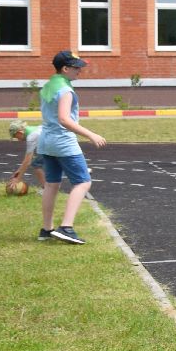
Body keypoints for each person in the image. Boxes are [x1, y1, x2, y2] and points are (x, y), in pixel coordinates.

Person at [35, 51, 107, 244]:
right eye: (77, 68)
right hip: (63, 142)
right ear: (65, 69)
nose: (80, 71)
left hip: (46, 141)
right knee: (83, 182)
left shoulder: (49, 85)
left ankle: (46, 229)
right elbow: (64, 119)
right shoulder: (66, 90)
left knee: (51, 184)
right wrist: (91, 134)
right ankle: (66, 227)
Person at [7, 118, 47, 193]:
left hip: (54, 146)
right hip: (52, 145)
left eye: (16, 136)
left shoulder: (31, 137)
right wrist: (19, 171)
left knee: (36, 164)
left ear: (20, 132)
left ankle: (46, 189)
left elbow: (27, 161)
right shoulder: (36, 128)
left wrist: (18, 179)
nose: (18, 140)